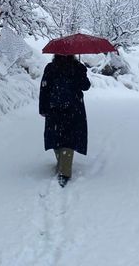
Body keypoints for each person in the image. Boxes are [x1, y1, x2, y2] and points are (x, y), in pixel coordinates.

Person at [38, 53, 91, 187]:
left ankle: (62, 163)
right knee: (69, 139)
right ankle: (64, 171)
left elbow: (44, 89)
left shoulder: (50, 68)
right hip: (73, 110)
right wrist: (80, 71)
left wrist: (43, 108)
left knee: (56, 137)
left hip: (54, 109)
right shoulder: (77, 67)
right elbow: (86, 86)